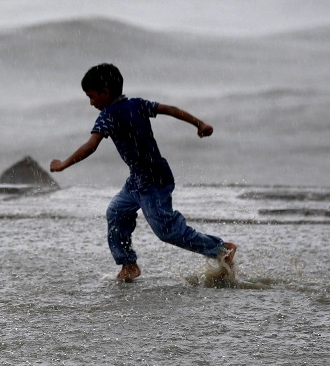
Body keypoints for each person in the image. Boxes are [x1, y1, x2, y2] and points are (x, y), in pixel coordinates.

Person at [49, 63, 236, 282]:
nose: (91, 102)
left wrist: (63, 165)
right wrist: (199, 123)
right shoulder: (137, 104)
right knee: (116, 213)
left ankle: (221, 249)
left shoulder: (108, 115)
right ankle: (128, 264)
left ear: (105, 92)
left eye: (91, 96)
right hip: (138, 179)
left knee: (167, 231)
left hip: (153, 181)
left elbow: (91, 146)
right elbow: (170, 110)